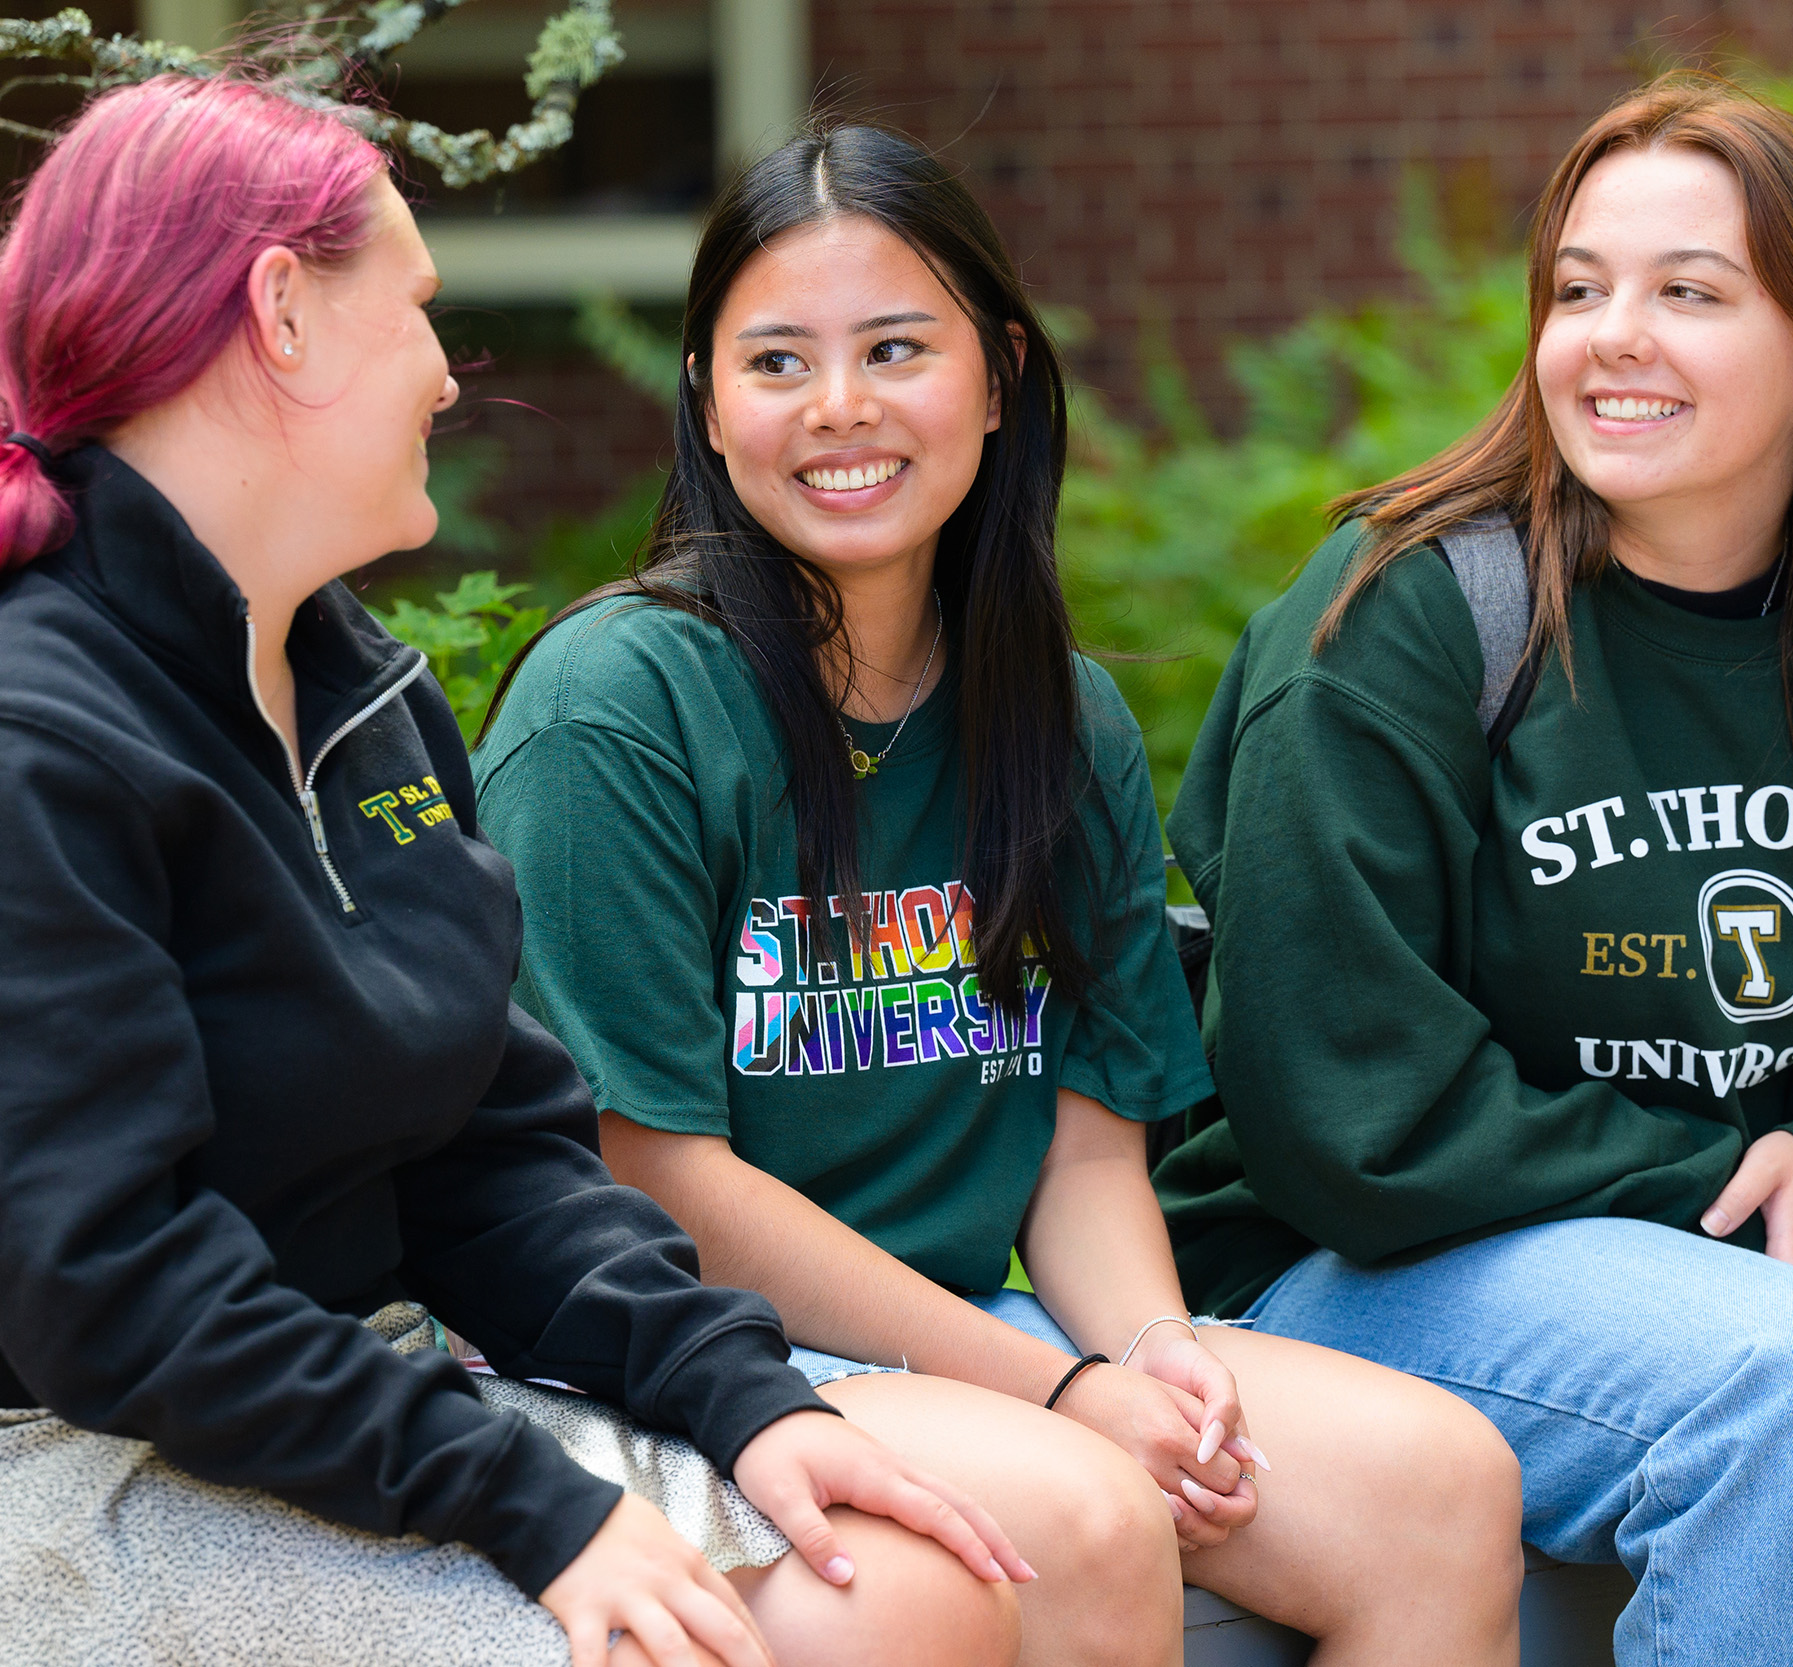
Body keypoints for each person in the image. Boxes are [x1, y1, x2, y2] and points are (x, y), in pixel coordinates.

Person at [0, 75, 1033, 1667]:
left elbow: (490, 1160)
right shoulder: (39, 736)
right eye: (417, 310)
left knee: (933, 1577)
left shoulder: (368, 701)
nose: (445, 376)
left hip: (367, 1393)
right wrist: (535, 1508)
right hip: (82, 1466)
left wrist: (736, 1399)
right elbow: (114, 1289)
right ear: (283, 313)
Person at [473, 122, 1525, 1667]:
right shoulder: (616, 704)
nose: (839, 410)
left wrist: (1153, 1353)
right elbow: (651, 1177)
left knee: (1436, 1488)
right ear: (705, 395)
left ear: (999, 374)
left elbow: (1087, 1144)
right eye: (776, 363)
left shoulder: (1058, 714)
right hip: (691, 1356)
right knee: (1085, 1508)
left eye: (895, 348)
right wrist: (1054, 1393)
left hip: (965, 1336)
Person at [1154, 70, 1793, 1664]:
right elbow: (1346, 1113)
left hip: (1750, 1219)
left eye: (1689, 292)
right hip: (1371, 1259)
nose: (1611, 335)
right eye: (1577, 289)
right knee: (1782, 1387)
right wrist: (1725, 1189)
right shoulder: (1405, 622)